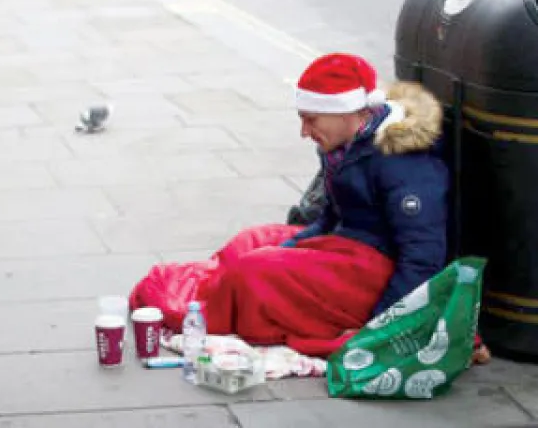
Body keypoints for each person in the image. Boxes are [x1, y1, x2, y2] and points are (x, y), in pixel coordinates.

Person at [131, 53, 450, 357]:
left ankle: (210, 306)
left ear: (347, 113)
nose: (304, 132)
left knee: (253, 270)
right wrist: (291, 247)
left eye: (311, 120)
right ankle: (219, 294)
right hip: (346, 244)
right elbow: (329, 217)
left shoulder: (405, 163)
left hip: (379, 271)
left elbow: (422, 256)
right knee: (248, 243)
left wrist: (379, 328)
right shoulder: (342, 145)